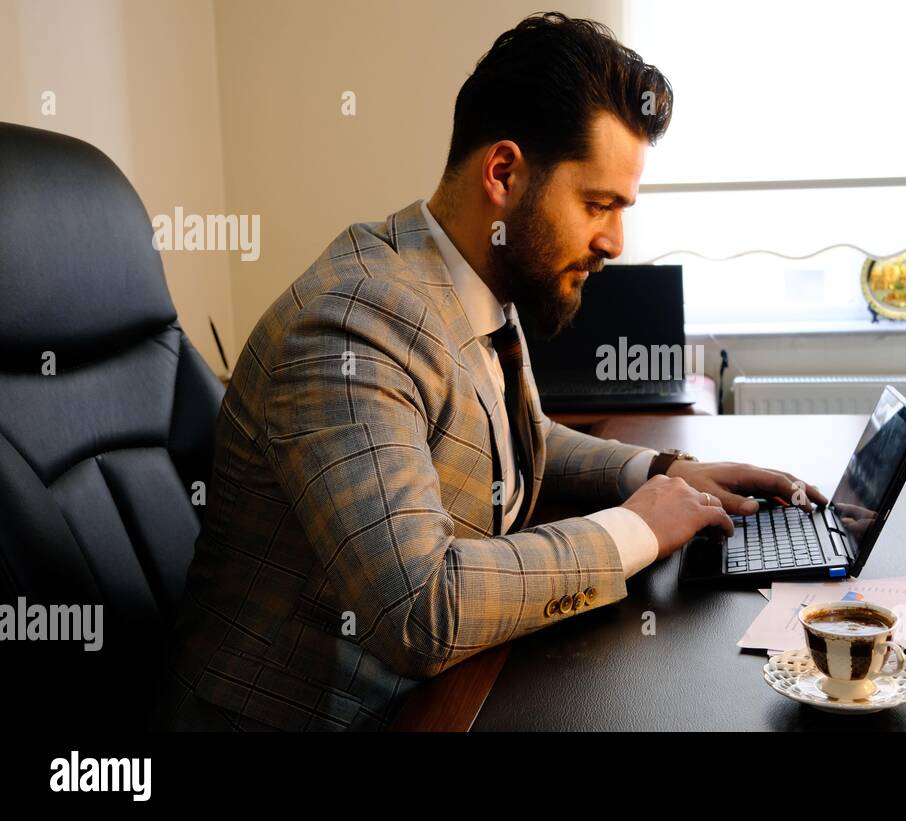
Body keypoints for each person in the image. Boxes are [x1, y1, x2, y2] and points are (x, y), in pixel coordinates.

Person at [155, 11, 825, 731]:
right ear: (503, 173)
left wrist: (661, 474)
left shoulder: (472, 284)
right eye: (597, 204)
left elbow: (519, 435)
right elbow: (420, 609)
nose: (614, 240)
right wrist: (635, 530)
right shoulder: (354, 321)